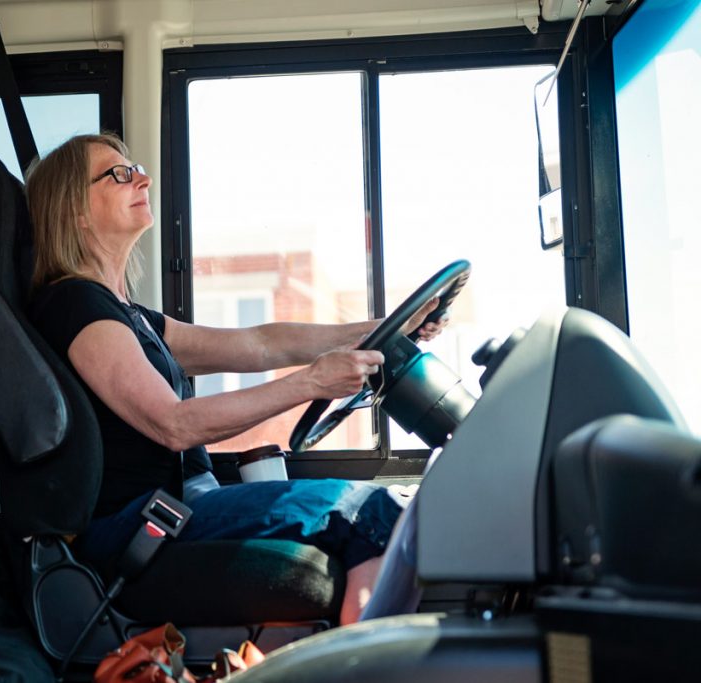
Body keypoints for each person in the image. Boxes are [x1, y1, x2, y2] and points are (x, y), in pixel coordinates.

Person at [25, 133, 445, 624]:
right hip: (140, 523)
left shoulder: (130, 316)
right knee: (374, 514)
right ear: (74, 211)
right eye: (119, 174)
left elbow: (263, 344)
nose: (144, 178)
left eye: (135, 167)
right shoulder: (75, 305)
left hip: (182, 501)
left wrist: (383, 331)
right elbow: (174, 424)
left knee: (380, 519)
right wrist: (310, 383)